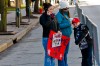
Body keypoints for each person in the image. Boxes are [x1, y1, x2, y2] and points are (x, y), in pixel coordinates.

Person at [56, 1, 72, 66]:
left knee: (65, 53)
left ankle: (65, 64)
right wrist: (68, 23)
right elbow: (58, 25)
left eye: (68, 8)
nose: (67, 10)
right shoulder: (59, 15)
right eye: (66, 9)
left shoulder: (65, 14)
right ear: (62, 9)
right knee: (61, 53)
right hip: (62, 37)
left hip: (67, 36)